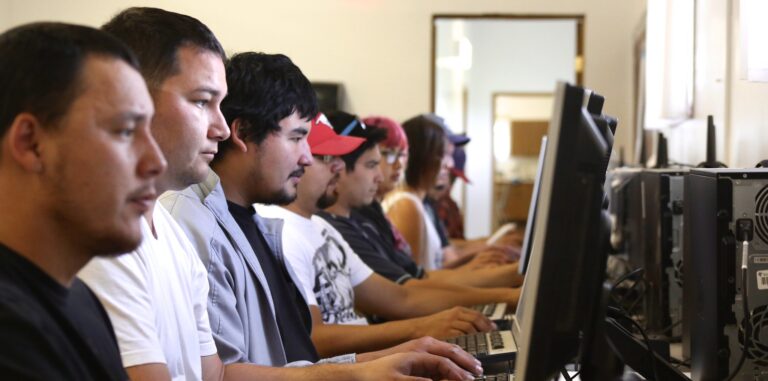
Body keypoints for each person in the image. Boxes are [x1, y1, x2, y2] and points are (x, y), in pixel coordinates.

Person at [161, 51, 483, 379]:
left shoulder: (254, 224)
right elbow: (222, 376)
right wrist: (361, 372)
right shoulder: (198, 229)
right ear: (243, 134)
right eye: (298, 138)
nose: (306, 157)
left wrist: (395, 356)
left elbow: (291, 363)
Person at [259, 113, 514, 357]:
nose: (338, 167)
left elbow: (401, 297)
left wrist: (438, 322)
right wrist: (420, 330)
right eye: (327, 157)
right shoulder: (279, 230)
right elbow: (314, 337)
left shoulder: (321, 228)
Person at [0, 22, 165, 380]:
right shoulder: (10, 333)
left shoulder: (80, 299)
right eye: (125, 131)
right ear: (31, 143)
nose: (156, 162)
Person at [77, 8, 230, 381]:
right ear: (132, 101)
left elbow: (213, 376)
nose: (222, 129)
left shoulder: (171, 232)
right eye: (201, 101)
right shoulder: (103, 242)